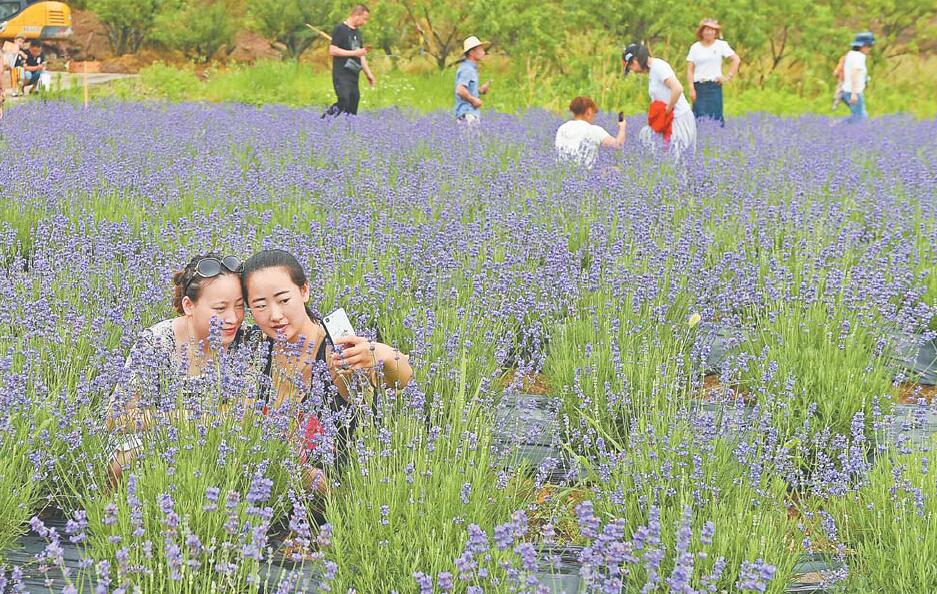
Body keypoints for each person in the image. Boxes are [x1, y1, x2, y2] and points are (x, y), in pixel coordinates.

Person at [240, 249, 413, 491]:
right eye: (260, 305)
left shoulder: (336, 351)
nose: (275, 315)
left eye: (283, 300)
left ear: (304, 291)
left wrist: (382, 354)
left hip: (338, 499)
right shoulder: (253, 351)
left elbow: (401, 380)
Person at [106, 254, 248, 482]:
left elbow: (244, 414)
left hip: (219, 442)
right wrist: (184, 420)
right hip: (157, 440)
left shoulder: (247, 343)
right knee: (125, 459)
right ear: (189, 305)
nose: (233, 318)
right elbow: (116, 417)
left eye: (240, 306)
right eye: (220, 308)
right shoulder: (156, 342)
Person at [623, 43, 697, 159]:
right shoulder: (653, 70)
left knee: (676, 160)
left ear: (636, 60)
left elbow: (677, 89)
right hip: (669, 120)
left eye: (630, 67)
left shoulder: (658, 67)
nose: (632, 71)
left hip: (678, 118)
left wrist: (667, 109)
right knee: (662, 155)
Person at [686, 18, 740, 125]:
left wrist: (727, 77)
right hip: (699, 87)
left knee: (716, 117)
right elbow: (690, 69)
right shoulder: (695, 47)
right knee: (698, 117)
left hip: (714, 86)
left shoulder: (721, 45)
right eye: (706, 29)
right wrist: (691, 88)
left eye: (712, 30)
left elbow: (736, 59)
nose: (709, 32)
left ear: (715, 32)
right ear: (701, 32)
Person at [326, 4, 376, 116]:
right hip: (341, 73)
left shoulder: (358, 33)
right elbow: (332, 50)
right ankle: (324, 121)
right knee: (344, 101)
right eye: (364, 19)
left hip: (354, 74)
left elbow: (361, 55)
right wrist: (354, 53)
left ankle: (350, 130)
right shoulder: (340, 29)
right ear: (356, 15)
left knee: (354, 102)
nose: (365, 22)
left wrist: (369, 74)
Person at [554, 96, 627, 168]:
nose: (594, 116)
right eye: (594, 113)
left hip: (562, 171)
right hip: (585, 174)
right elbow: (618, 145)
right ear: (589, 111)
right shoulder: (593, 130)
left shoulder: (562, 128)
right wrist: (622, 128)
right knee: (614, 171)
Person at [454, 36, 491, 124]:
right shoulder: (467, 69)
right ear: (472, 52)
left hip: (470, 114)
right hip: (467, 114)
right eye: (480, 49)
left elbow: (467, 89)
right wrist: (473, 100)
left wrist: (480, 91)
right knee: (470, 138)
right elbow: (460, 90)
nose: (483, 52)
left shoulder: (470, 68)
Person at [840, 32, 874, 124]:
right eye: (869, 46)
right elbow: (855, 74)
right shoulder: (859, 57)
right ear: (863, 45)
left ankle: (836, 130)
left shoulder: (850, 54)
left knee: (858, 116)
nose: (870, 49)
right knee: (861, 118)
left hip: (846, 91)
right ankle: (834, 129)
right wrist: (854, 94)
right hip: (853, 92)